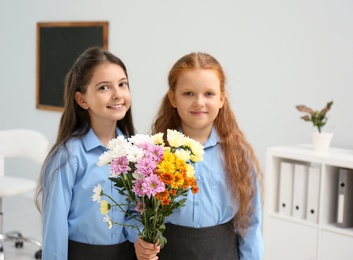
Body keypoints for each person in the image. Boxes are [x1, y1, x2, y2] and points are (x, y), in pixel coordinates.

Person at [35, 47, 159, 260]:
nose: (117, 94)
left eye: (122, 84)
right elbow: (54, 230)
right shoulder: (68, 157)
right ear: (82, 100)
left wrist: (139, 237)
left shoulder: (134, 154)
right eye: (104, 87)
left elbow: (131, 213)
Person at [151, 52, 264, 259]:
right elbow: (139, 212)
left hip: (222, 251)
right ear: (172, 98)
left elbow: (250, 221)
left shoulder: (237, 154)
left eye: (209, 94)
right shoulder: (156, 152)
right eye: (188, 94)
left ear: (222, 98)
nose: (199, 102)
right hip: (169, 251)